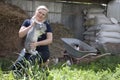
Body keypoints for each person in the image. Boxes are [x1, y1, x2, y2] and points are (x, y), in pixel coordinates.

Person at [12, 5, 53, 70]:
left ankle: (43, 66)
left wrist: (37, 44)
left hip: (42, 50)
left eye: (43, 14)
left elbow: (50, 40)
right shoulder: (27, 22)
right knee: (16, 67)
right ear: (36, 12)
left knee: (29, 62)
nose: (41, 15)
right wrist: (31, 26)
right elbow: (20, 35)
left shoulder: (46, 25)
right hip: (27, 49)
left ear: (45, 17)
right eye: (39, 12)